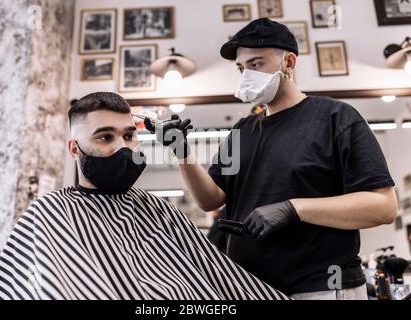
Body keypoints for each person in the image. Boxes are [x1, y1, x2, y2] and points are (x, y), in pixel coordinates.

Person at [145, 18, 398, 300]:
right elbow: (211, 199)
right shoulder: (242, 131)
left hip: (322, 286)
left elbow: (383, 207)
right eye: (242, 68)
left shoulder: (335, 118)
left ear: (288, 62)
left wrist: (293, 208)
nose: (246, 75)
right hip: (249, 286)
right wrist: (182, 151)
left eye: (256, 64)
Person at [0, 92, 288, 300]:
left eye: (129, 136)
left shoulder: (158, 210)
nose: (123, 146)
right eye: (105, 137)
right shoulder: (49, 213)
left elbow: (219, 282)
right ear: (75, 149)